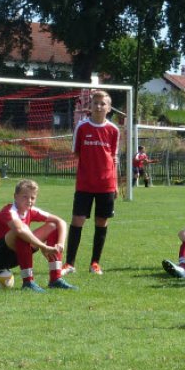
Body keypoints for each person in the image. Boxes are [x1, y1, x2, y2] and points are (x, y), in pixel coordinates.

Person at [0, 179, 77, 292]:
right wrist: (44, 247)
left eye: (32, 198)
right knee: (22, 230)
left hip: (15, 254)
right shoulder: (9, 211)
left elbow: (61, 222)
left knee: (53, 226)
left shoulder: (30, 210)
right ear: (15, 197)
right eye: (25, 197)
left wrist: (60, 244)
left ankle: (55, 279)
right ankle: (28, 282)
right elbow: (20, 230)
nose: (29, 201)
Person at [61, 89, 119, 276]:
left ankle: (95, 263)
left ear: (109, 108)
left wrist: (115, 183)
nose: (99, 106)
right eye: (96, 103)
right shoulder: (82, 127)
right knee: (77, 221)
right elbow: (77, 153)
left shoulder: (114, 130)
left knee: (101, 223)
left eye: (103, 103)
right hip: (85, 184)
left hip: (106, 184)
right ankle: (69, 263)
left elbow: (113, 157)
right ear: (91, 106)